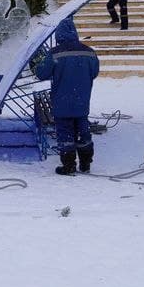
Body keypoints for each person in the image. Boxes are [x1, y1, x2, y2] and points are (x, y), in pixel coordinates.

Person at [34, 17, 100, 175]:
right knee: (84, 132)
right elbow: (95, 72)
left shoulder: (55, 54)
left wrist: (36, 63)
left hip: (62, 103)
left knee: (65, 134)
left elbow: (41, 74)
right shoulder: (89, 52)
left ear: (59, 36)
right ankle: (85, 163)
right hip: (81, 102)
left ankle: (69, 165)